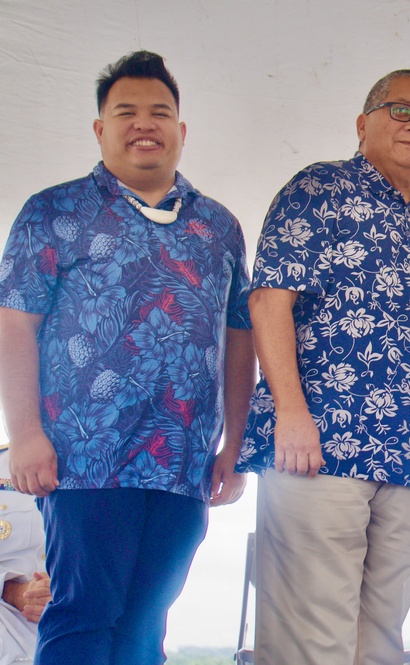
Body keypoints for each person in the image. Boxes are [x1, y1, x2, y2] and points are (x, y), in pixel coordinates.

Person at [0, 51, 255, 665]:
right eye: (127, 112)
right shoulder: (53, 212)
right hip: (84, 460)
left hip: (183, 462)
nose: (145, 124)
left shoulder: (219, 226)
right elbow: (14, 326)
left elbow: (241, 335)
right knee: (85, 614)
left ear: (181, 130)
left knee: (147, 622)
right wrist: (26, 434)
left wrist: (236, 446)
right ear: (101, 129)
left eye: (160, 112)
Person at [237, 69, 410, 665]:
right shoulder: (317, 188)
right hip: (320, 447)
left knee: (381, 647)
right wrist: (289, 413)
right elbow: (268, 300)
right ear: (363, 125)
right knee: (311, 645)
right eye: (400, 110)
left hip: (409, 461)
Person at [0, 444, 50, 664]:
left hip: (94, 644)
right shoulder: (4, 464)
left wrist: (74, 590)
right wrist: (14, 591)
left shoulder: (123, 471)